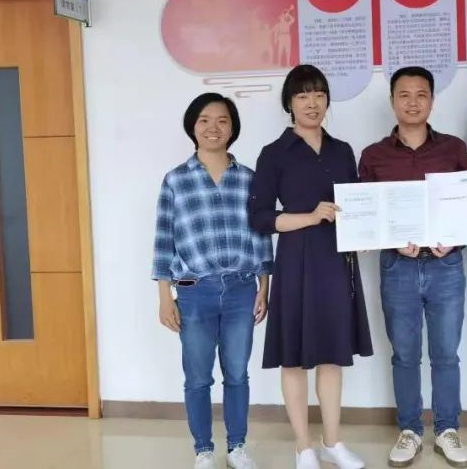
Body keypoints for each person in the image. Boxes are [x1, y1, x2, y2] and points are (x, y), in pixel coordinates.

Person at [358, 66, 467, 468]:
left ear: (432, 100)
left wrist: (457, 233)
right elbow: (366, 216)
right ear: (392, 101)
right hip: (397, 267)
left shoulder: (453, 149)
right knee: (404, 354)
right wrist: (393, 240)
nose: (413, 102)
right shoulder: (373, 156)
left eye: (421, 94)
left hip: (446, 266)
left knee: (446, 354)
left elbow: (465, 207)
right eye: (404, 94)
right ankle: (410, 430)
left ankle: (447, 429)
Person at [247, 64, 372, 469]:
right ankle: (303, 446)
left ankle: (332, 442)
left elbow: (357, 207)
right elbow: (260, 218)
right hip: (296, 261)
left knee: (332, 353)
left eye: (318, 94)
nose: (312, 103)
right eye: (302, 95)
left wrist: (368, 231)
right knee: (293, 356)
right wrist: (311, 216)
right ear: (289, 103)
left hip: (337, 260)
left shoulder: (342, 150)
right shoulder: (273, 153)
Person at [152, 93, 273, 469]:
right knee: (197, 377)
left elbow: (261, 235)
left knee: (237, 373)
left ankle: (237, 447)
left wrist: (264, 287)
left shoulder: (249, 179)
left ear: (232, 127)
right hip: (194, 292)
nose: (213, 128)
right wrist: (164, 296)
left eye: (222, 120)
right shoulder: (176, 180)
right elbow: (164, 240)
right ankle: (203, 450)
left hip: (241, 289)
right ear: (193, 126)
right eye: (204, 120)